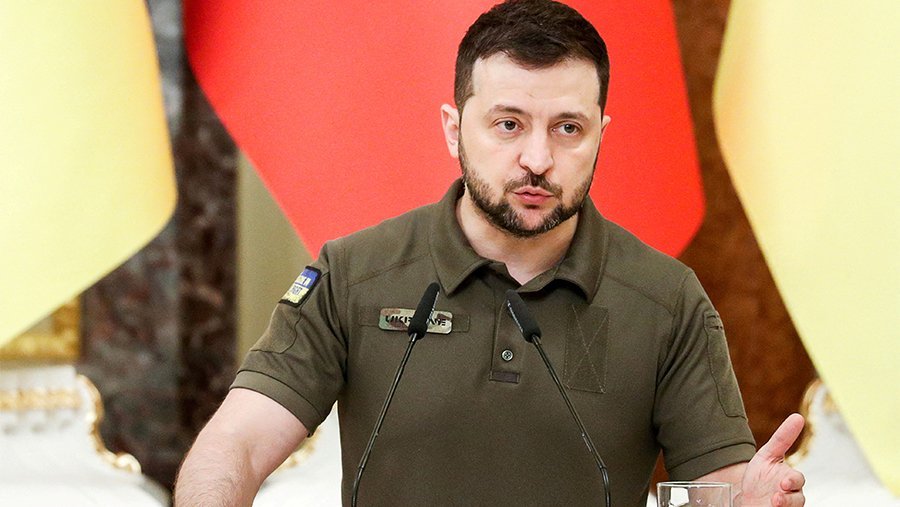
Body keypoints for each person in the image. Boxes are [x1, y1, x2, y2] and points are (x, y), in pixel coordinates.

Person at [175, 1, 806, 505]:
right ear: (454, 130)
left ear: (601, 136)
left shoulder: (668, 300)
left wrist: (746, 500)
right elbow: (236, 446)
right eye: (509, 124)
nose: (537, 158)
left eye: (568, 128)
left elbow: (715, 490)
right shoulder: (355, 273)